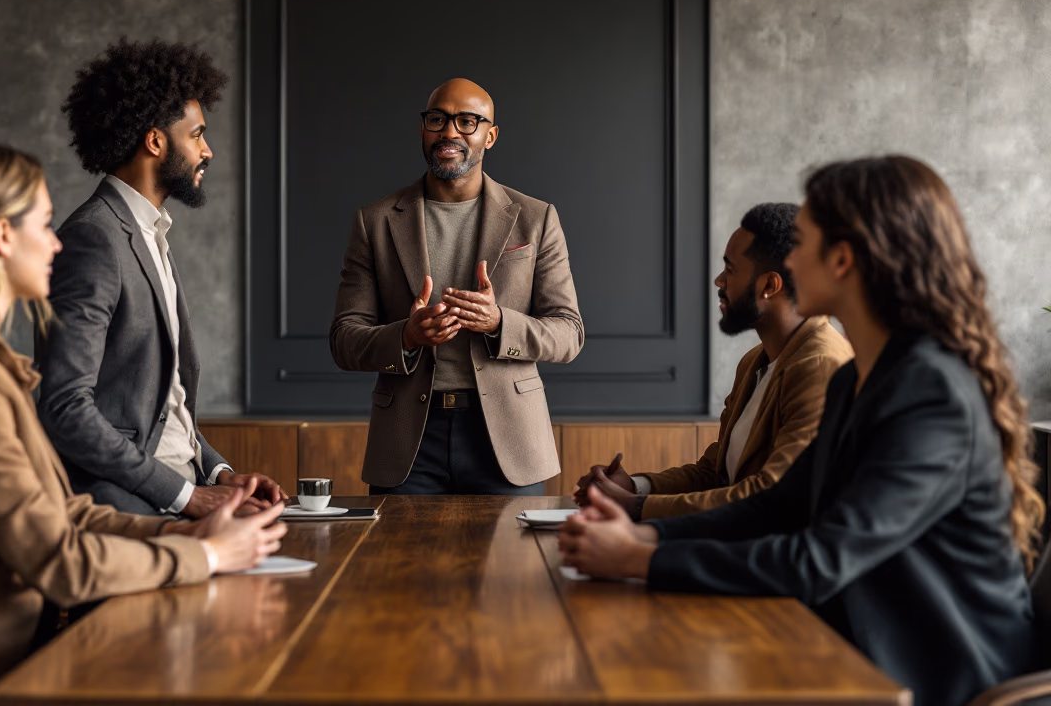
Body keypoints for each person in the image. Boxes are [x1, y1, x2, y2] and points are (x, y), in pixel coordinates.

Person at [559, 156, 1042, 706]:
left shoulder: (930, 393)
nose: (790, 262)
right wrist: (646, 535)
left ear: (844, 260)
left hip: (938, 675)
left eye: (802, 243)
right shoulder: (858, 380)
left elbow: (821, 560)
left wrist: (638, 558)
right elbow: (777, 508)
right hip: (850, 646)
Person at [0, 141, 287, 702]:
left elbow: (67, 514)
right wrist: (206, 555)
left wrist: (188, 533)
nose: (58, 241)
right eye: (47, 223)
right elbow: (58, 562)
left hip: (24, 662)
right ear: (0, 237)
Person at [37, 38, 286, 517]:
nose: (207, 150)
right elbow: (65, 406)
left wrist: (219, 475)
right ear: (155, 141)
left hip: (177, 493)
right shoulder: (95, 238)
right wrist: (188, 497)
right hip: (129, 507)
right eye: (196, 135)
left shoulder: (150, 234)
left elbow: (160, 402)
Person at [331, 78, 583, 495]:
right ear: (423, 128)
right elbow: (343, 340)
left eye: (468, 121)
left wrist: (499, 322)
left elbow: (569, 332)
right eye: (438, 119)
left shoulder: (537, 219)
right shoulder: (374, 222)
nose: (450, 132)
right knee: (394, 562)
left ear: (490, 135)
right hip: (408, 445)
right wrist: (406, 336)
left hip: (508, 442)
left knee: (512, 562)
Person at [574, 203, 852, 519]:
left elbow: (772, 495)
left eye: (731, 269)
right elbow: (715, 474)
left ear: (769, 286)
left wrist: (636, 508)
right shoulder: (753, 363)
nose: (719, 281)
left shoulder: (821, 367)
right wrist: (635, 487)